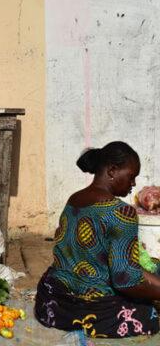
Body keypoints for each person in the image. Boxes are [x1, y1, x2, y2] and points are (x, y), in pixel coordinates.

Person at [35, 141, 160, 338]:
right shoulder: (121, 212)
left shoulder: (74, 199)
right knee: (149, 313)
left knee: (154, 266)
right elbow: (126, 281)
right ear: (112, 170)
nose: (133, 184)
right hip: (94, 310)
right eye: (131, 176)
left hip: (53, 300)